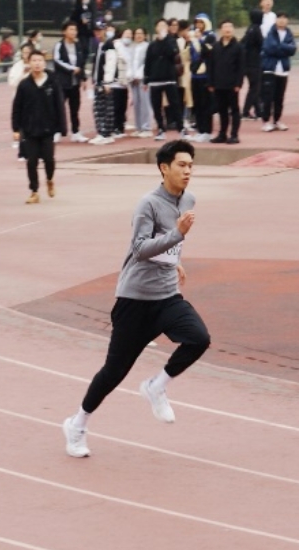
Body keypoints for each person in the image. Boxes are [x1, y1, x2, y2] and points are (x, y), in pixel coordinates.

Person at [62, 140, 210, 459]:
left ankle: (156, 386)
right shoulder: (148, 204)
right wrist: (177, 234)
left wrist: (175, 260)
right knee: (114, 372)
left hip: (167, 296)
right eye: (181, 165)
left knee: (199, 338)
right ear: (164, 168)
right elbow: (141, 248)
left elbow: (168, 245)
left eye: (191, 165)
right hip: (135, 300)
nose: (188, 171)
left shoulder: (189, 199)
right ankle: (77, 424)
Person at [13, 49, 66, 204]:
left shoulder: (52, 83)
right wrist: (16, 129)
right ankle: (34, 191)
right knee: (31, 161)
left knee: (49, 159)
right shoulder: (24, 85)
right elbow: (17, 108)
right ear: (29, 63)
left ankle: (50, 179)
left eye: (40, 60)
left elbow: (59, 105)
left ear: (44, 63)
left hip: (48, 129)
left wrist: (62, 127)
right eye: (34, 60)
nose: (37, 63)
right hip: (30, 130)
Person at [146, 19, 183, 140]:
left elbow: (172, 54)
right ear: (156, 28)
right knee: (156, 106)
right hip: (155, 79)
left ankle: (181, 128)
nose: (161, 27)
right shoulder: (152, 45)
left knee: (175, 104)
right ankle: (161, 129)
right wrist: (146, 79)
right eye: (159, 25)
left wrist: (165, 39)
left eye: (164, 25)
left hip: (169, 78)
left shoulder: (171, 41)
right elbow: (148, 61)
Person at [210, 20, 244, 143]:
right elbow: (211, 66)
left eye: (230, 26)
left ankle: (234, 134)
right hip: (218, 84)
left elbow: (241, 67)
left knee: (234, 110)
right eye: (225, 27)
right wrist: (211, 83)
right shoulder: (216, 46)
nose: (227, 29)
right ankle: (222, 134)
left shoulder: (238, 47)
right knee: (222, 110)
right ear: (221, 30)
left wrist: (238, 83)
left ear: (233, 29)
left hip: (232, 85)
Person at [53, 22, 89, 142]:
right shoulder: (59, 45)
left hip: (74, 83)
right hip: (62, 83)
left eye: (75, 30)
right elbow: (57, 61)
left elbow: (81, 63)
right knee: (59, 107)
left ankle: (76, 132)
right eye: (71, 29)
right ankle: (57, 131)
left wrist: (83, 78)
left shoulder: (78, 45)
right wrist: (71, 69)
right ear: (64, 32)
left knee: (75, 108)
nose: (74, 32)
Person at [261, 11, 295, 132]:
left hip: (283, 71)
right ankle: (266, 121)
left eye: (284, 18)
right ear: (275, 20)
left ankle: (277, 120)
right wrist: (284, 48)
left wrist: (280, 47)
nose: (282, 20)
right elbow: (270, 48)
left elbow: (292, 50)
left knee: (279, 97)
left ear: (287, 21)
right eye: (279, 18)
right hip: (270, 69)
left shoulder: (289, 34)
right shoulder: (270, 33)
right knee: (268, 97)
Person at [188, 14, 216, 141]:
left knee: (206, 104)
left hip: (206, 75)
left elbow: (208, 52)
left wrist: (200, 40)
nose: (198, 25)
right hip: (195, 75)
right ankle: (200, 130)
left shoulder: (211, 36)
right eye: (197, 23)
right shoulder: (193, 37)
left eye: (201, 23)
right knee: (197, 104)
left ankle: (207, 131)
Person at [129, 27, 154, 136]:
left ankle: (146, 127)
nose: (138, 36)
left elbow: (147, 63)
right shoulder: (132, 47)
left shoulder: (148, 47)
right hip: (133, 79)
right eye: (136, 33)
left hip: (144, 79)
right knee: (137, 103)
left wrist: (140, 74)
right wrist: (131, 75)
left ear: (145, 35)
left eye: (140, 33)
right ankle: (138, 127)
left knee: (145, 103)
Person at [242, 11, 265, 120]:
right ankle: (245, 111)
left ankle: (258, 111)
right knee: (255, 88)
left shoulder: (249, 29)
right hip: (254, 63)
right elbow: (262, 44)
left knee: (254, 87)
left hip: (247, 63)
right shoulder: (256, 29)